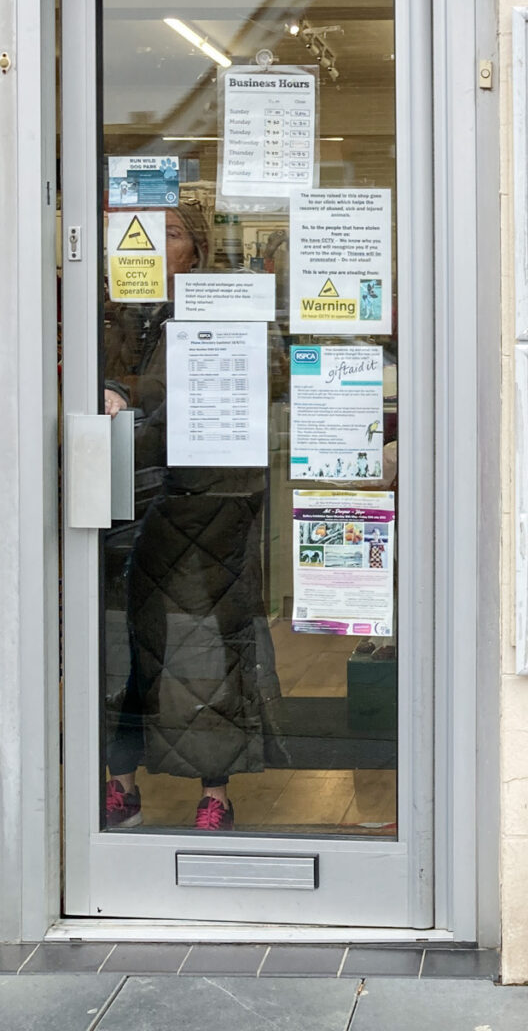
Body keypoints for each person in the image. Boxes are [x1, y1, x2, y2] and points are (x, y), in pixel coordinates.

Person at [102, 202, 282, 833]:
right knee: (127, 642)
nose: (151, 247)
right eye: (141, 236)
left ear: (197, 249)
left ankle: (216, 788)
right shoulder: (111, 311)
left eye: (169, 234)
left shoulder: (220, 303)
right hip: (123, 496)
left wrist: (129, 393)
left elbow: (256, 379)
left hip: (209, 496)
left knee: (207, 640)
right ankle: (118, 782)